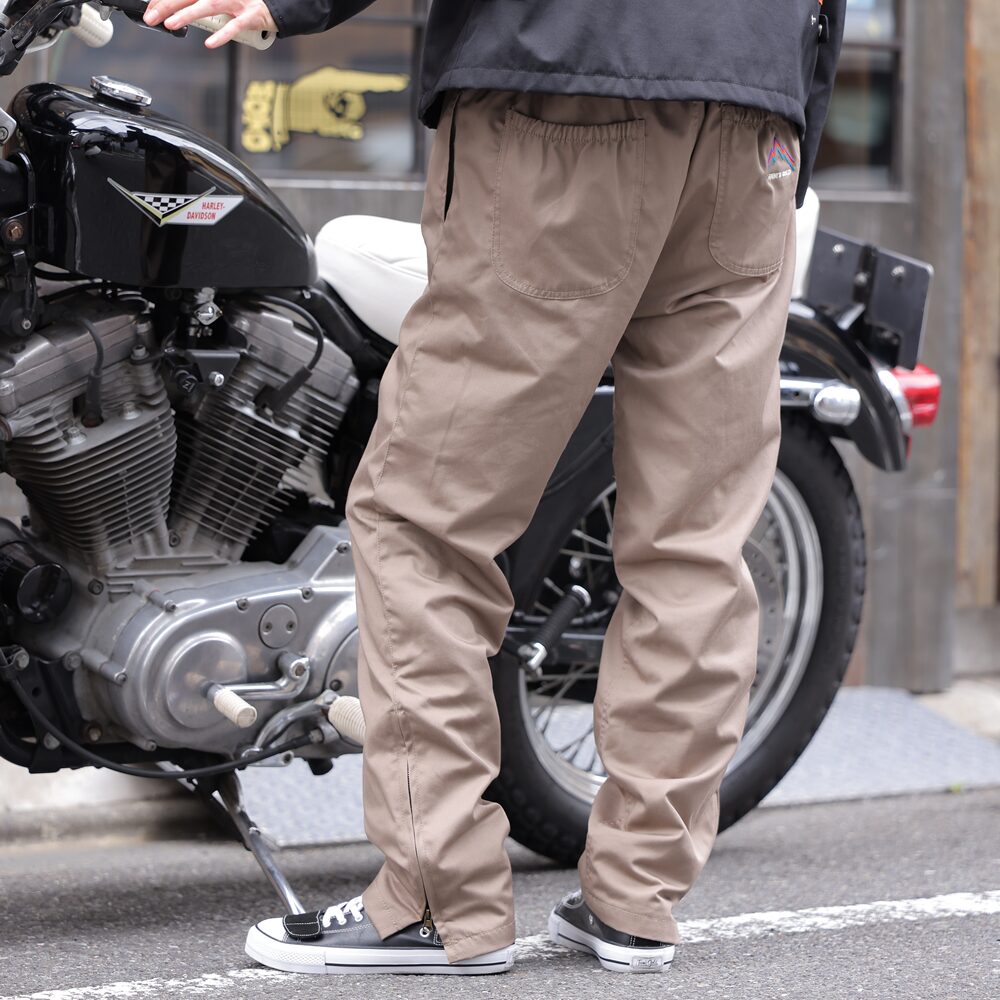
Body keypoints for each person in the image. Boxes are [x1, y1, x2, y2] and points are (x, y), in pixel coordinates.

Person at [146, 0, 845, 977]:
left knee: (427, 520)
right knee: (694, 542)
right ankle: (637, 898)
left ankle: (437, 902)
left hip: (566, 90)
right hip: (752, 119)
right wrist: (795, 111)